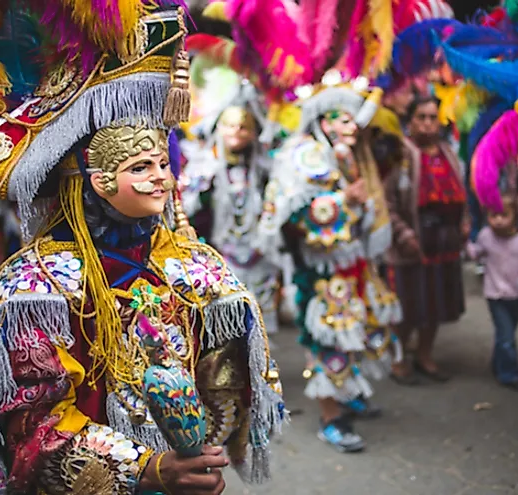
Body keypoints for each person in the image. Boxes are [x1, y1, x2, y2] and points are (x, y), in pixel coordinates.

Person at [0, 5, 283, 493]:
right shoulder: (39, 286)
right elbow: (29, 426)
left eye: (162, 163)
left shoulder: (193, 264)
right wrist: (148, 469)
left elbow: (226, 384)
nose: (161, 179)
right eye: (141, 167)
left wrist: (203, 437)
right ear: (97, 181)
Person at [256, 74, 401, 452]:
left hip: (350, 262)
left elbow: (363, 203)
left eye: (354, 119)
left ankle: (347, 395)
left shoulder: (345, 152)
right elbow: (298, 214)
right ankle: (330, 417)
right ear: (324, 121)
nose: (353, 127)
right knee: (327, 335)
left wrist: (358, 204)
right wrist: (346, 203)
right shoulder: (302, 153)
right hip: (317, 268)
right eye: (344, 119)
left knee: (353, 330)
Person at [181, 71, 281, 336]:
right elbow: (187, 210)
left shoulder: (266, 169)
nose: (236, 131)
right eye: (229, 125)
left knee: (259, 327)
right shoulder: (204, 166)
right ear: (218, 128)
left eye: (243, 126)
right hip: (219, 255)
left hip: (260, 255)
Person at [384, 95, 468, 383]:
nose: (428, 123)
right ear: (410, 121)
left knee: (435, 304)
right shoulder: (400, 154)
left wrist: (465, 222)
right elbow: (387, 201)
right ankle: (397, 358)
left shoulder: (448, 152)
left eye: (433, 117)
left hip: (445, 242)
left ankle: (425, 354)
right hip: (412, 242)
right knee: (407, 306)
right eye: (422, 117)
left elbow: (461, 191)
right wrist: (403, 235)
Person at [467, 194, 518, 391]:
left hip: (517, 294)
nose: (498, 220)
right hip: (495, 294)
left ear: (515, 215)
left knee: (505, 334)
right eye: (493, 215)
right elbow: (476, 253)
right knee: (506, 336)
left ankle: (498, 363)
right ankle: (510, 374)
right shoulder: (485, 236)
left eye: (503, 215)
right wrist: (465, 240)